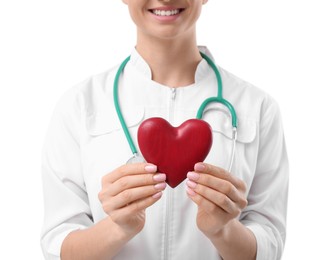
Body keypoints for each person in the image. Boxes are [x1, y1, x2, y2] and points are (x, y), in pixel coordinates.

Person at [41, 0, 289, 259]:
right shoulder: (79, 105)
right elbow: (58, 244)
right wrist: (116, 228)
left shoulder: (258, 107)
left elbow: (270, 241)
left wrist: (223, 231)